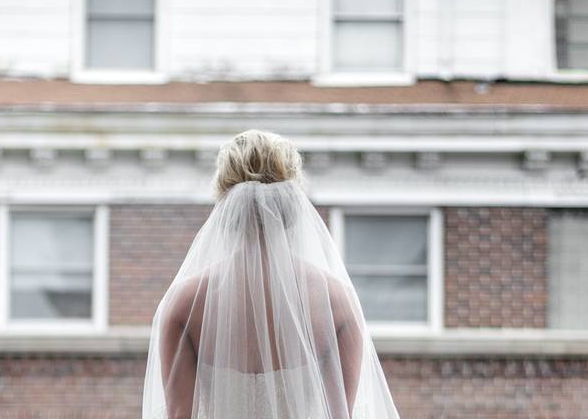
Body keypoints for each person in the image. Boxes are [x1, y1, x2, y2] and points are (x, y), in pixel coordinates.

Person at [142, 130, 401, 419]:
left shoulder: (184, 304)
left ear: (225, 202)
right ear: (292, 202)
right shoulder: (336, 303)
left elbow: (179, 416)